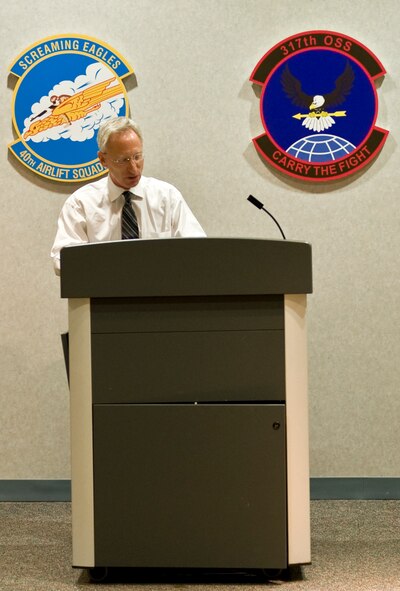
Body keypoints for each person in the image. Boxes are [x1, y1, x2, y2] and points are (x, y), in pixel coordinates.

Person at [50, 116, 206, 275]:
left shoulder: (167, 197)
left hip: (161, 293)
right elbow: (62, 260)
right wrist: (108, 267)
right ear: (103, 160)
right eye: (123, 160)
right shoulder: (81, 204)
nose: (133, 168)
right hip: (103, 295)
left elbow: (199, 250)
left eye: (137, 157)